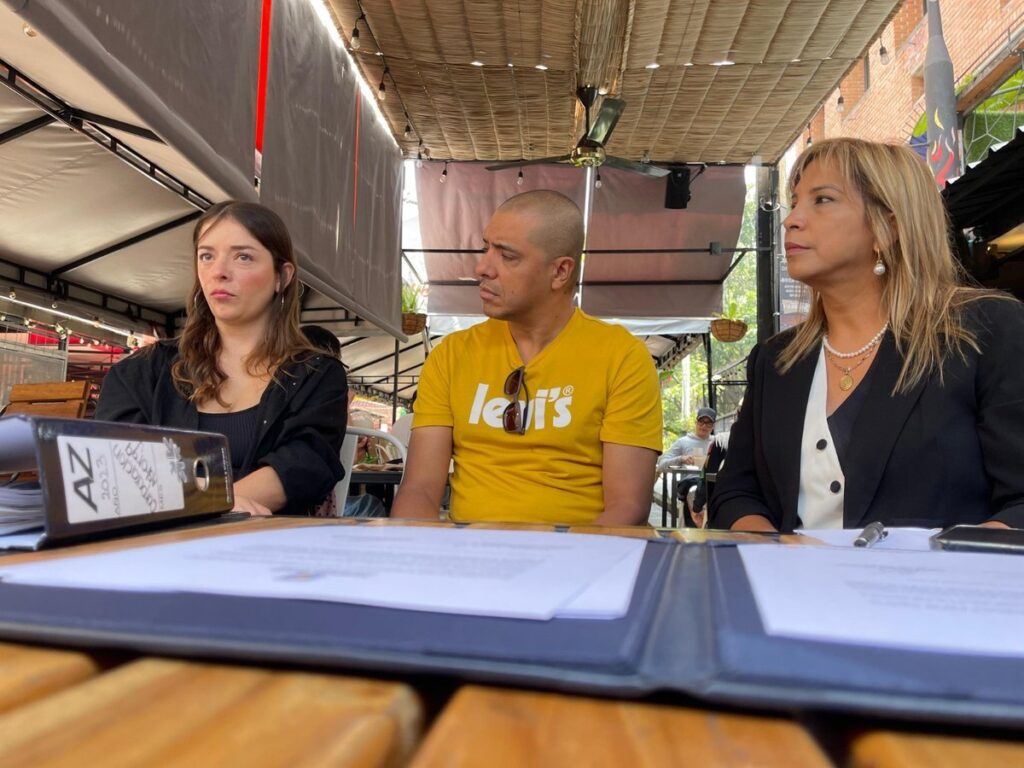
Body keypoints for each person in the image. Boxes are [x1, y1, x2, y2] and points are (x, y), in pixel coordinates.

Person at [709, 137, 1024, 533]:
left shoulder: (983, 330)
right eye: (794, 202)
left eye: (822, 200)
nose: (792, 219)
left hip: (940, 591)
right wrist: (775, 556)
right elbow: (736, 490)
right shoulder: (775, 360)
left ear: (888, 226)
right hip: (793, 592)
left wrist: (953, 561)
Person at [391, 190, 662, 526]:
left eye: (507, 256)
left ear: (560, 272)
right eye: (485, 247)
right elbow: (419, 490)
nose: (481, 267)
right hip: (472, 556)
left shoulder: (623, 357)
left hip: (582, 556)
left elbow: (627, 505)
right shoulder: (450, 355)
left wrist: (564, 569)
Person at [96, 201, 348, 517]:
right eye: (207, 256)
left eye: (243, 257)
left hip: (267, 553)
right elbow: (116, 469)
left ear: (281, 276)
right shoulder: (140, 373)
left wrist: (209, 505)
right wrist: (213, 506)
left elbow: (306, 463)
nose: (219, 272)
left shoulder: (316, 375)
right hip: (157, 551)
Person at [657, 407, 716, 526]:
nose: (704, 426)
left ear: (713, 426)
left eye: (708, 423)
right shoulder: (683, 442)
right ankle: (699, 520)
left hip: (712, 485)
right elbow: (661, 465)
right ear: (696, 422)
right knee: (694, 491)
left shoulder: (717, 443)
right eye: (701, 422)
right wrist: (680, 458)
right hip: (690, 484)